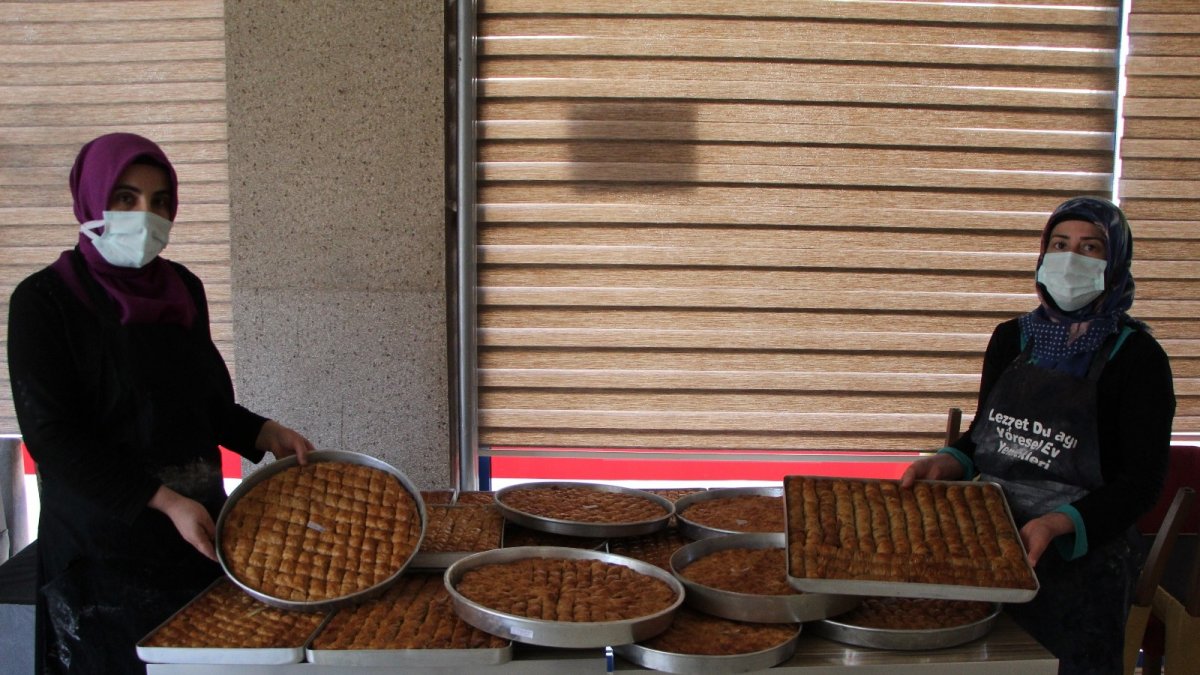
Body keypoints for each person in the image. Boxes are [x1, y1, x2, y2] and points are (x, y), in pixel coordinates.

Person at [7, 133, 316, 673]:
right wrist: (165, 502)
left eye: (159, 202)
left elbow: (205, 404)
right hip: (101, 551)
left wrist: (265, 432)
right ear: (91, 200)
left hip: (196, 538)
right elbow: (53, 439)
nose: (144, 215)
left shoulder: (182, 289)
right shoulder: (44, 301)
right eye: (125, 198)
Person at [901, 196, 1175, 673]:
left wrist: (1057, 523)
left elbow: (1140, 484)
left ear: (1115, 263)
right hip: (989, 537)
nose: (1071, 258)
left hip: (1080, 559)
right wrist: (948, 461)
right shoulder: (1012, 338)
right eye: (1060, 244)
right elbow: (987, 436)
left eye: (1091, 248)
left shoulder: (1139, 359)